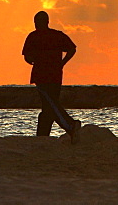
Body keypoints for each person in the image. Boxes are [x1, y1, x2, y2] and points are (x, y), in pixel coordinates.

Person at [21, 10, 81, 138]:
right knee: (48, 106)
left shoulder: (34, 36)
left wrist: (33, 60)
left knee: (51, 105)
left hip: (43, 76)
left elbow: (27, 57)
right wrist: (62, 63)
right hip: (55, 75)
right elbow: (72, 49)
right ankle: (42, 136)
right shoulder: (57, 35)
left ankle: (70, 125)